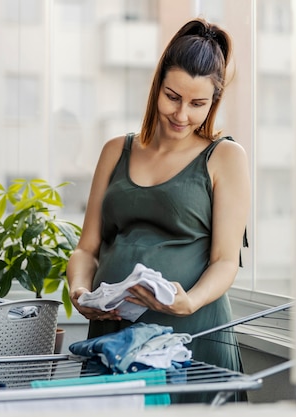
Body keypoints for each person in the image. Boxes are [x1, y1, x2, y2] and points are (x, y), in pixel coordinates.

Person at [67, 17, 251, 403]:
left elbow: (224, 261)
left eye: (198, 103)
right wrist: (80, 290)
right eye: (173, 97)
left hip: (195, 335)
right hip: (113, 336)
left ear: (214, 101)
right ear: (156, 87)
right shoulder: (115, 150)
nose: (182, 115)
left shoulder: (226, 158)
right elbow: (87, 248)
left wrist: (190, 301)